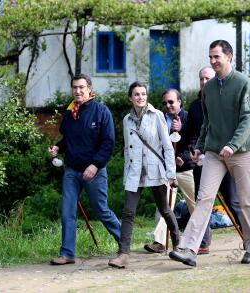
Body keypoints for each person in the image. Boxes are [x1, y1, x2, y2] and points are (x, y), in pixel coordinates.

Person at [169, 40, 250, 267]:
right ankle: (189, 249)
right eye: (210, 57)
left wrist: (234, 144)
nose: (212, 61)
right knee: (204, 198)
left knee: (246, 201)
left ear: (228, 56)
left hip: (242, 152)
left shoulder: (243, 84)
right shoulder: (207, 89)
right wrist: (199, 146)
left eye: (216, 56)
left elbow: (247, 119)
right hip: (215, 153)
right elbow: (207, 123)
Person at [48, 74, 121, 265]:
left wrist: (95, 165)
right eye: (74, 87)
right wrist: (57, 147)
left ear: (89, 89)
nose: (78, 91)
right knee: (67, 212)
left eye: (81, 87)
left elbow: (108, 143)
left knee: (101, 210)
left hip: (94, 171)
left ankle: (124, 243)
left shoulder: (101, 111)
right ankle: (67, 253)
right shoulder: (70, 113)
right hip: (71, 171)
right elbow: (68, 139)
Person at [108, 81, 180, 268]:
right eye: (137, 94)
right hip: (134, 172)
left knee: (165, 209)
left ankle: (179, 245)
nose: (141, 97)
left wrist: (171, 174)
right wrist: (126, 176)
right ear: (130, 98)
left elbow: (167, 147)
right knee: (128, 212)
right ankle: (123, 254)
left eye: (143, 94)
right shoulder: (126, 120)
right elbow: (127, 150)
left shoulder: (156, 116)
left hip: (155, 170)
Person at [186, 66, 242, 255]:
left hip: (225, 158)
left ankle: (247, 235)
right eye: (201, 79)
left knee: (233, 200)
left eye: (207, 78)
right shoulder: (194, 106)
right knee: (202, 202)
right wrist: (195, 150)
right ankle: (202, 242)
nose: (203, 82)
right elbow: (193, 132)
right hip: (202, 160)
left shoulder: (223, 99)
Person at [144, 89, 195, 254]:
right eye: (165, 103)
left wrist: (183, 156)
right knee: (163, 206)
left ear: (179, 101)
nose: (168, 105)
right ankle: (160, 242)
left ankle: (199, 240)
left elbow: (195, 141)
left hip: (186, 168)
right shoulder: (159, 119)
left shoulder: (189, 117)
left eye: (171, 102)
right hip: (166, 170)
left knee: (195, 204)